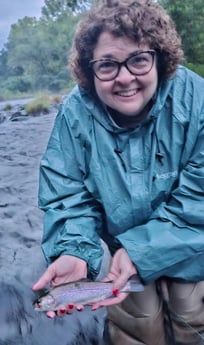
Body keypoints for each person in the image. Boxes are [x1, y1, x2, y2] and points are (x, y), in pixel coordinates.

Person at [32, 0, 204, 344]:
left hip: (192, 245)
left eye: (139, 59)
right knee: (138, 325)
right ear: (89, 69)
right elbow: (66, 195)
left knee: (192, 318)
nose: (125, 78)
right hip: (120, 249)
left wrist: (140, 251)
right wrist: (75, 251)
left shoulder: (197, 100)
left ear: (161, 58)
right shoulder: (73, 116)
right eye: (108, 65)